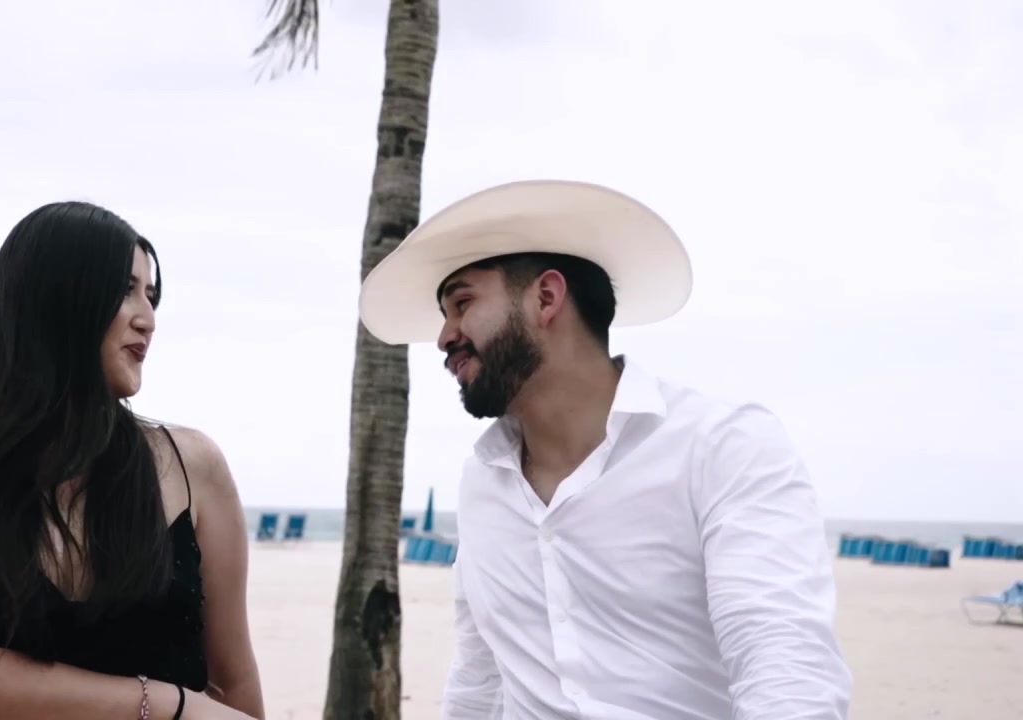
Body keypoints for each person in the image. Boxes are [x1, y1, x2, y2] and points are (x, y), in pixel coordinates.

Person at [358, 180, 853, 719]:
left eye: (462, 304)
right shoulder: (483, 482)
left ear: (546, 298)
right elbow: (479, 681)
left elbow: (786, 667)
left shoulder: (721, 445)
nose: (444, 337)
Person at [0, 202, 264, 720]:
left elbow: (235, 683)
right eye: (125, 289)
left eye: (152, 295)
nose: (148, 319)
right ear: (54, 296)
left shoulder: (191, 465)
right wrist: (167, 704)